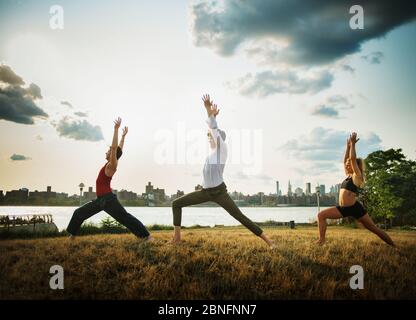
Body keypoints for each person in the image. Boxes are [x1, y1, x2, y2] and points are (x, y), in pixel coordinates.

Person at [171, 94, 275, 248]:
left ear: (219, 138)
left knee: (239, 216)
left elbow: (213, 129)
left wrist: (208, 110)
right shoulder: (210, 155)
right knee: (176, 204)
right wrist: (211, 116)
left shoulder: (222, 149)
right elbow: (211, 132)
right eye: (208, 136)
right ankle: (177, 238)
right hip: (205, 191)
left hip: (220, 192)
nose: (209, 138)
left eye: (211, 136)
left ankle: (269, 241)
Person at [67, 117, 152, 241]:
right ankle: (72, 236)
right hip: (100, 200)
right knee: (79, 213)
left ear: (112, 155)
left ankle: (146, 236)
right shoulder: (109, 164)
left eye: (108, 151)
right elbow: (118, 150)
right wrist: (123, 137)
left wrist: (116, 130)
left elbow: (114, 149)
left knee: (125, 217)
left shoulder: (112, 165)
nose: (106, 152)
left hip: (108, 200)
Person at [316, 132, 395, 247]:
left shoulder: (357, 176)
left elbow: (352, 159)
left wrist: (353, 145)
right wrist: (347, 147)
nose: (347, 165)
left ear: (355, 166)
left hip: (354, 208)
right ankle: (321, 240)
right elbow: (346, 160)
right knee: (321, 215)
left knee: (373, 228)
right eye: (347, 164)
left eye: (350, 164)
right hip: (344, 209)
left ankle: (394, 246)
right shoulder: (348, 176)